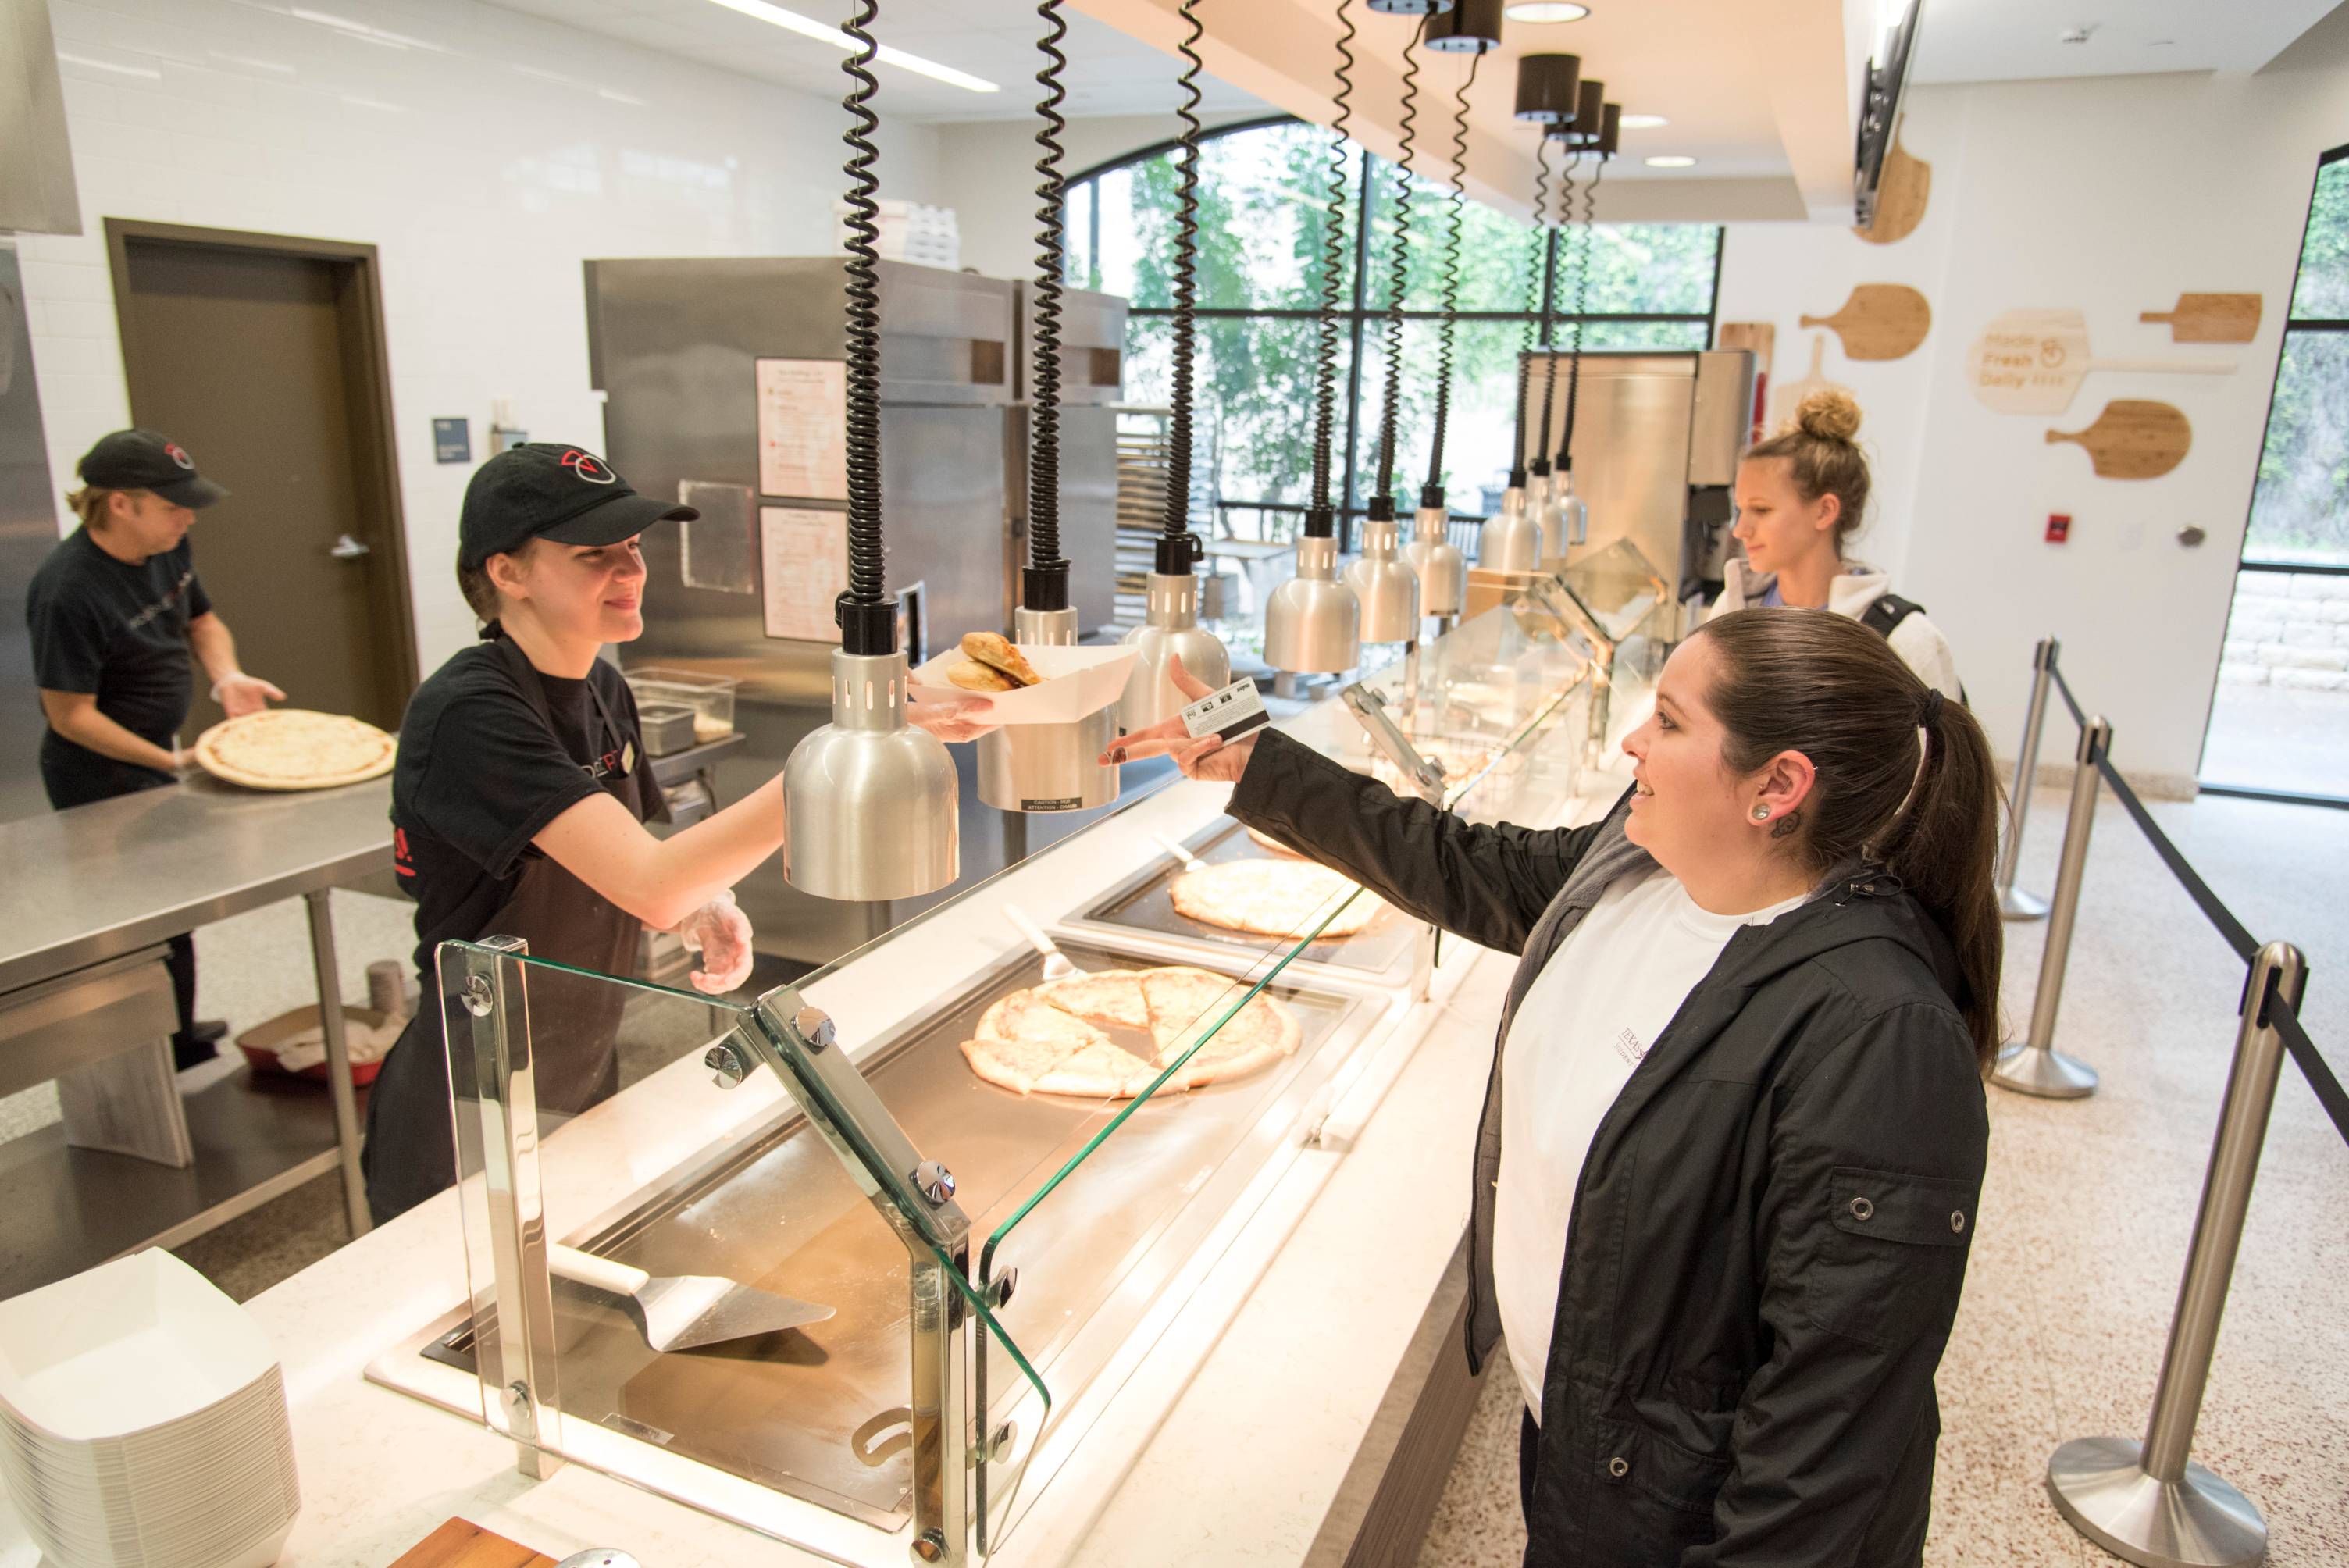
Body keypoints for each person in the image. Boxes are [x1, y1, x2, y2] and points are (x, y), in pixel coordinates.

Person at [1112, 616, 1999, 1566]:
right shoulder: (1636, 868)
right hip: (1593, 1452)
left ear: (1775, 787)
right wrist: (1258, 763)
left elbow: (1828, 1438)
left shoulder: (1875, 1035)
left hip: (1682, 1519)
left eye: (1666, 721)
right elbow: (1464, 862)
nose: (1631, 743)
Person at [362, 442, 990, 1224]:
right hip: (470, 1104)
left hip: (580, 1066)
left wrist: (707, 901)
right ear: (507, 573)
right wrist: (842, 745)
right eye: (595, 554)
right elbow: (651, 888)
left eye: (633, 546)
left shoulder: (600, 685)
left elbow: (624, 857)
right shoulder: (472, 713)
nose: (630, 571)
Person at [27, 429, 283, 1068]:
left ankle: (179, 1036)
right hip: (96, 776)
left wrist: (226, 676)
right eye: (172, 505)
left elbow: (202, 620)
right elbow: (70, 716)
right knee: (124, 924)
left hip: (156, 760)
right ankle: (135, 1055)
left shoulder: (168, 546)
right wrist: (171, 762)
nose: (186, 517)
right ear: (120, 504)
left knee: (171, 909)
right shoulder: (69, 590)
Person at [1714, 388, 1965, 703]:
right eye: (1740, 510)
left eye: (1761, 510)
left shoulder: (1904, 640)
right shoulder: (1733, 608)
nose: (1740, 530)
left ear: (1824, 511)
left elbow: (1941, 751)